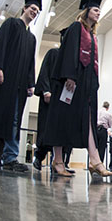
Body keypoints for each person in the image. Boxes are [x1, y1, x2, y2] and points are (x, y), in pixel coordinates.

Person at [43, 0, 112, 177]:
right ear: (86, 11)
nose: (98, 12)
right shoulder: (76, 28)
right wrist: (70, 75)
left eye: (99, 11)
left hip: (86, 84)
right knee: (62, 119)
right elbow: (69, 51)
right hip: (72, 82)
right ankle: (58, 161)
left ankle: (95, 160)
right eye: (95, 10)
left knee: (88, 119)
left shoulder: (92, 35)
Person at [0, 0, 39, 172]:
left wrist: (30, 83)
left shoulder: (31, 38)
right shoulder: (11, 24)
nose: (34, 12)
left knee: (14, 120)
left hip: (18, 86)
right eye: (32, 9)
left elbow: (30, 63)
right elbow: (0, 46)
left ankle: (10, 157)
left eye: (36, 11)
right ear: (24, 8)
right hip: (2, 81)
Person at [33, 28, 73, 173]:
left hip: (64, 101)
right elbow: (44, 72)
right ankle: (39, 157)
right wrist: (46, 91)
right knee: (46, 129)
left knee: (64, 131)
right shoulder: (53, 54)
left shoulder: (71, 60)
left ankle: (59, 162)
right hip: (50, 99)